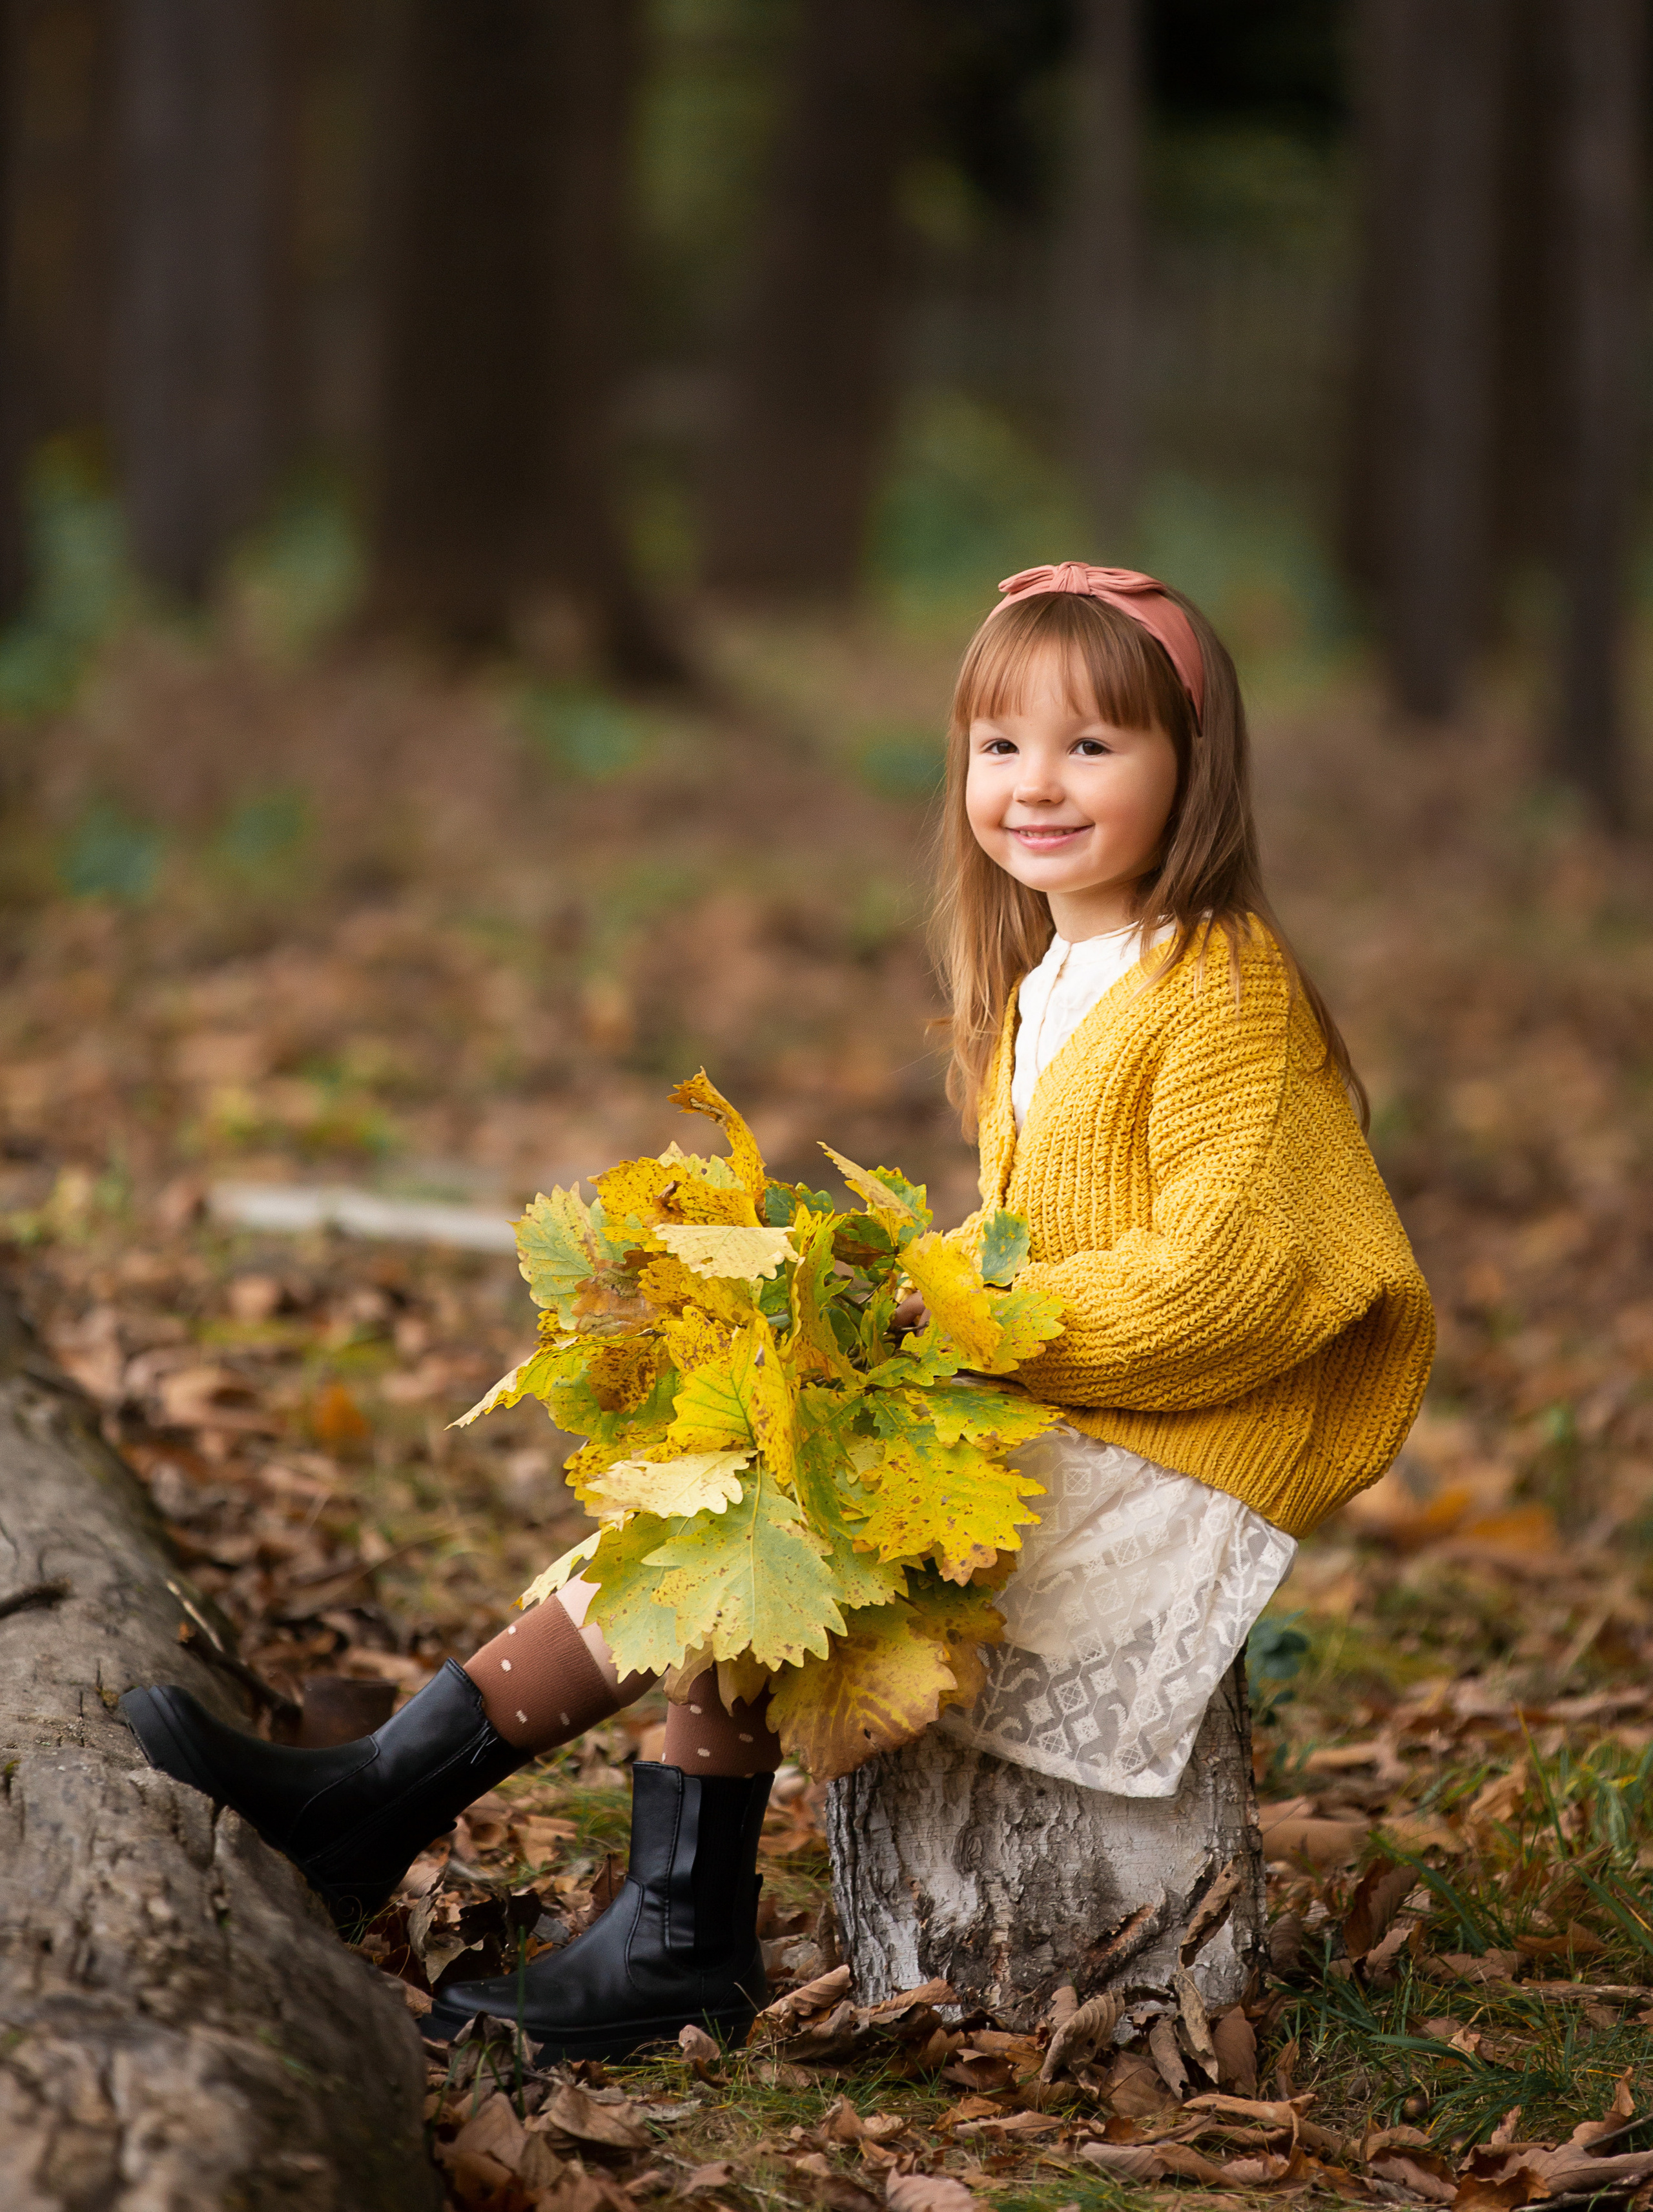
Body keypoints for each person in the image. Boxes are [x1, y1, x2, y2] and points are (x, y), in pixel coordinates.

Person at [119, 560, 1433, 2060]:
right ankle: (483, 1842)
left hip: (1188, 1443)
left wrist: (943, 1319)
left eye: (1092, 746)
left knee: (784, 1488)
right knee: (756, 1442)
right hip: (1084, 1391)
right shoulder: (1061, 972)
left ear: (1190, 772)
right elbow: (1038, 1258)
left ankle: (553, 1874)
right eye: (999, 748)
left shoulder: (1219, 983)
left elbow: (1233, 1280)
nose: (1035, 786)